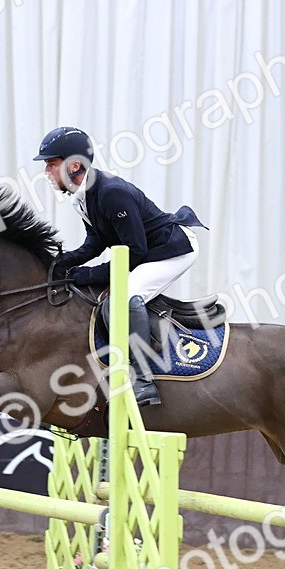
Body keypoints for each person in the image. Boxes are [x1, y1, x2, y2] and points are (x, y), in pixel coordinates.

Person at [34, 126, 205, 407]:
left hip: (174, 250)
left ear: (74, 165)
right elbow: (95, 241)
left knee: (123, 301)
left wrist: (88, 274)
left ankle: (143, 379)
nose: (46, 171)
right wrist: (63, 262)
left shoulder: (112, 193)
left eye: (51, 164)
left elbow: (135, 252)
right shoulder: (83, 193)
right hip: (148, 249)